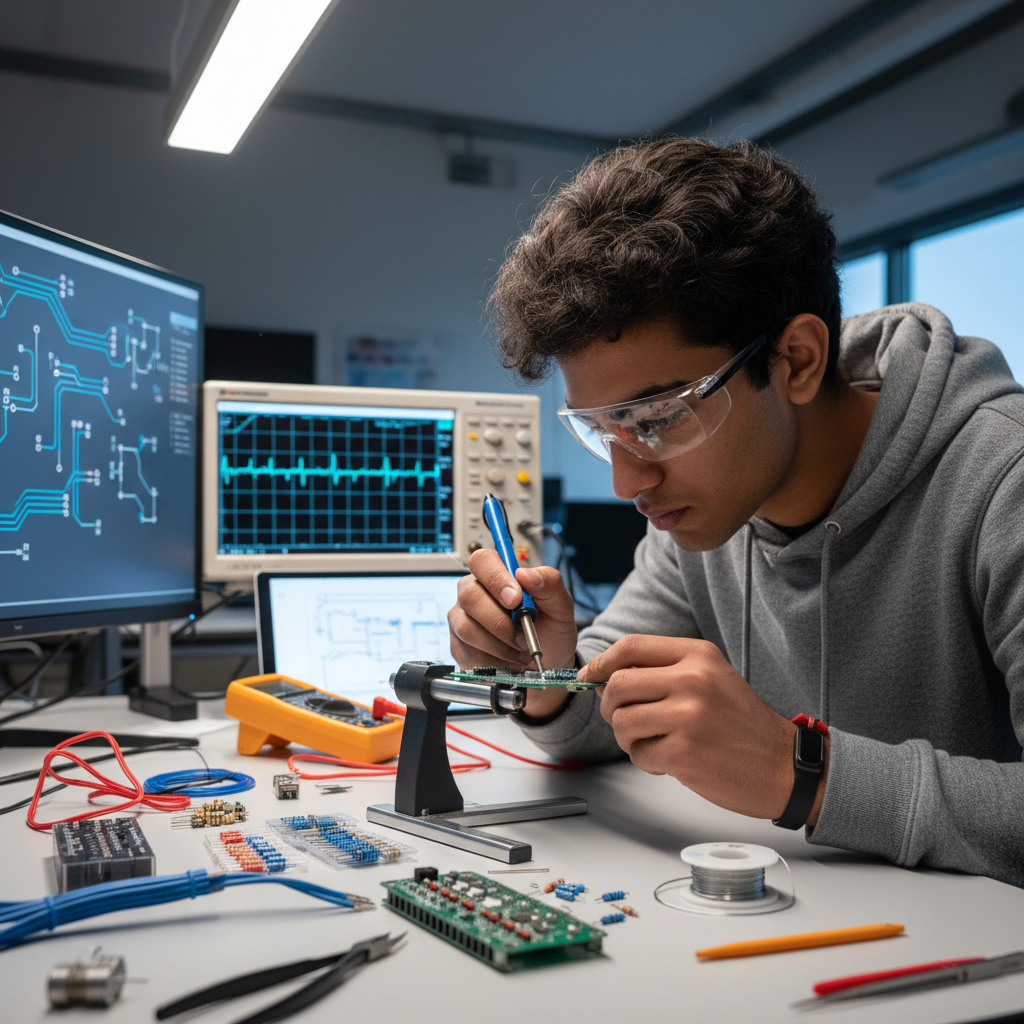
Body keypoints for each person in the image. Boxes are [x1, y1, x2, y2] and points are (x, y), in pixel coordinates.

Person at [447, 138, 1024, 888]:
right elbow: (610, 714)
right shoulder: (705, 510)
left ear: (797, 361)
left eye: (655, 419)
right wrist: (551, 677)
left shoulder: (1001, 482)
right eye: (602, 430)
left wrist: (802, 774)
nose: (628, 480)